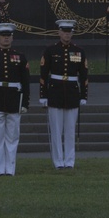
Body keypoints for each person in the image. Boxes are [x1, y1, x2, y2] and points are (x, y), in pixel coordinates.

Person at [39, 20, 88, 169]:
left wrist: (84, 95)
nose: (67, 35)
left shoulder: (79, 51)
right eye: (64, 32)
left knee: (70, 131)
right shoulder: (50, 51)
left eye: (69, 32)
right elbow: (43, 74)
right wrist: (43, 95)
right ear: (59, 32)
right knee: (56, 130)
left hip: (72, 92)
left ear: (72, 33)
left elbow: (84, 75)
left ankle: (69, 161)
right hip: (55, 92)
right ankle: (58, 161)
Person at [0, 23, 30, 175]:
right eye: (3, 36)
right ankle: (0, 168)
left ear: (12, 37)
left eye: (8, 36)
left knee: (12, 137)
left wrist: (25, 103)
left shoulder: (20, 57)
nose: (5, 39)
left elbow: (25, 82)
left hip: (14, 99)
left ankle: (10, 169)